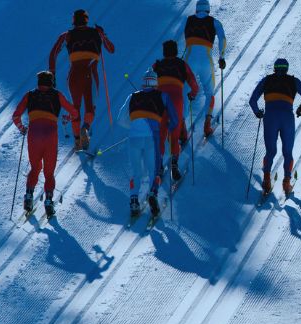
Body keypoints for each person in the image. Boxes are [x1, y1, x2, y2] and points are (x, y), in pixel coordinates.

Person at [12, 71, 79, 217]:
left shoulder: (30, 95)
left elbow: (16, 115)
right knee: (49, 172)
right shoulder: (57, 95)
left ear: (39, 82)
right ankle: (48, 202)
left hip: (34, 134)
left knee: (35, 168)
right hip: (50, 135)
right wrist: (66, 118)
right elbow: (74, 112)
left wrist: (22, 128)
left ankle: (28, 196)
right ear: (51, 82)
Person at [48, 9, 116, 150]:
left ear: (73, 21)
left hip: (74, 74)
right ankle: (85, 127)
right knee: (90, 106)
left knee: (75, 108)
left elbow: (53, 53)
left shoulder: (67, 35)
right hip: (91, 74)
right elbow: (111, 49)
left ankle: (77, 141)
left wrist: (52, 73)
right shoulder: (97, 32)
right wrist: (103, 35)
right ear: (86, 20)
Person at [115, 69, 178, 217]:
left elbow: (120, 119)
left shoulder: (132, 96)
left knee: (136, 171)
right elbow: (174, 119)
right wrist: (169, 128)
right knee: (154, 170)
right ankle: (153, 194)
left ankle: (134, 200)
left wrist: (134, 126)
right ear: (156, 83)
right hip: (152, 137)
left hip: (133, 137)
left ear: (143, 83)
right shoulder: (163, 96)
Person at [248, 59, 301, 196]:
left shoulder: (266, 80)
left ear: (274, 68)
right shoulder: (294, 81)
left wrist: (258, 112)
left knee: (270, 151)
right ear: (287, 69)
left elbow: (252, 100)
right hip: (287, 118)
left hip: (270, 117)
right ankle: (286, 183)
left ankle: (266, 180)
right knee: (287, 152)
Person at [152, 40, 200, 181]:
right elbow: (193, 83)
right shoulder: (182, 64)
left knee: (161, 134)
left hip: (160, 100)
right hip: (176, 99)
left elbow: (148, 81)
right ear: (176, 51)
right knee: (174, 132)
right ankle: (174, 163)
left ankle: (159, 166)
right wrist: (193, 94)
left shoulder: (157, 65)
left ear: (164, 52)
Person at [184, 0, 226, 138]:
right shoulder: (214, 22)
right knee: (209, 92)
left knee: (185, 91)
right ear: (208, 9)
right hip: (206, 60)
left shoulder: (188, 20)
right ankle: (207, 125)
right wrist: (221, 57)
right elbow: (222, 39)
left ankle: (181, 127)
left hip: (189, 60)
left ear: (197, 9)